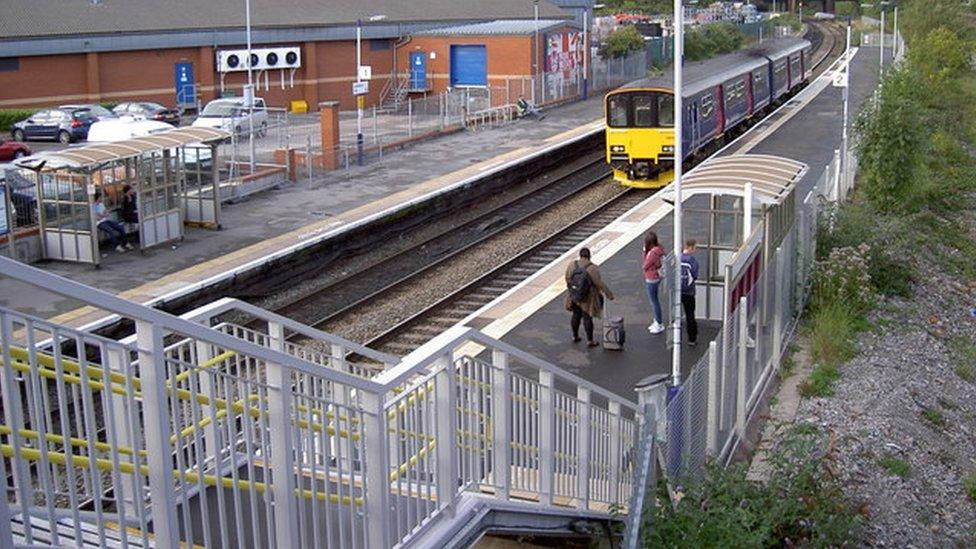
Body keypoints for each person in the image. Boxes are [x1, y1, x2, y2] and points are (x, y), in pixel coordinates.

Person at [564, 247, 614, 347]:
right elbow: (599, 283)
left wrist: (573, 289)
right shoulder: (592, 268)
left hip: (574, 296)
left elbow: (567, 278)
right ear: (589, 256)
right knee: (587, 318)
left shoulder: (572, 265)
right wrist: (609, 295)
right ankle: (590, 340)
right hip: (587, 298)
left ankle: (575, 336)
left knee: (576, 315)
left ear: (580, 255)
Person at [642, 231, 665, 334]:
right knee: (654, 300)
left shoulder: (652, 253)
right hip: (657, 276)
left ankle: (659, 323)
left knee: (654, 301)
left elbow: (645, 265)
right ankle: (657, 321)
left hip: (652, 278)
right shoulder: (659, 249)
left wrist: (644, 252)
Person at [680, 239, 700, 346]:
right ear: (691, 247)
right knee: (690, 315)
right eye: (695, 247)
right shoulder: (692, 261)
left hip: (678, 291)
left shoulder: (678, 258)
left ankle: (676, 338)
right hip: (689, 292)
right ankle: (692, 339)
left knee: (676, 314)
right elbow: (695, 276)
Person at [119, 185, 138, 250]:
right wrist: (133, 211)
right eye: (131, 190)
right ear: (128, 191)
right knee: (138, 221)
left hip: (133, 214)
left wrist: (135, 210)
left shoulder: (133, 196)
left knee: (139, 219)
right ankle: (138, 237)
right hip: (127, 215)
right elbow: (124, 210)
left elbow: (134, 206)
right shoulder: (124, 198)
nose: (132, 191)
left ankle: (139, 237)